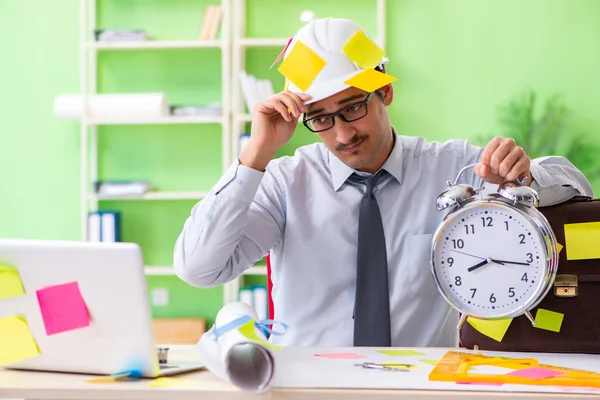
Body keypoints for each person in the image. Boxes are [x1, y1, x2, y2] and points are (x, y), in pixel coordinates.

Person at [174, 18, 593, 347]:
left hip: (421, 387)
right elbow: (199, 268)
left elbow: (578, 186)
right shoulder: (284, 183)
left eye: (353, 107)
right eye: (320, 118)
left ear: (385, 92)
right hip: (310, 388)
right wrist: (255, 154)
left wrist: (527, 175)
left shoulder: (455, 168)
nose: (342, 134)